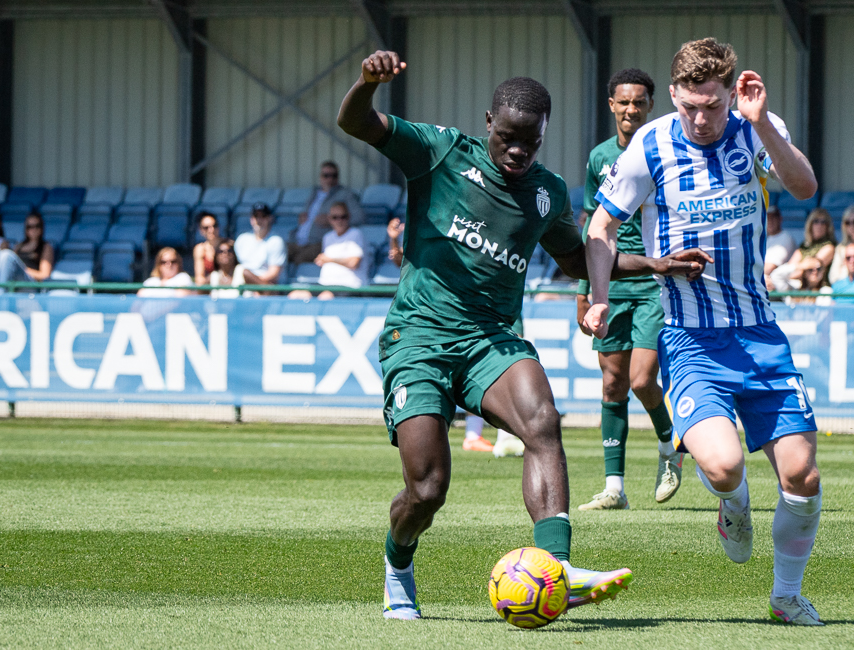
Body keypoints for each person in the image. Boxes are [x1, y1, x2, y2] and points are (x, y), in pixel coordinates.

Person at [337, 49, 707, 620]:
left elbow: (579, 259)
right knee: (428, 490)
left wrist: (654, 264)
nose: (517, 150)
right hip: (419, 338)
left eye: (529, 142)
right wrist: (366, 83)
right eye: (507, 137)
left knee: (542, 422)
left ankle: (555, 568)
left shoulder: (547, 193)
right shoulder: (440, 153)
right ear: (489, 122)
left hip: (491, 341)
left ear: (544, 134)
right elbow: (356, 122)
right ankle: (398, 562)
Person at [584, 37, 825, 625]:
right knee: (722, 466)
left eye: (713, 106)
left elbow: (804, 187)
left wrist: (760, 121)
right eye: (690, 106)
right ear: (673, 95)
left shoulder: (755, 128)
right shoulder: (649, 145)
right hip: (690, 337)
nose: (701, 119)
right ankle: (733, 505)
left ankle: (786, 596)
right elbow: (600, 227)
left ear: (731, 94)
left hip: (759, 333)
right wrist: (599, 296)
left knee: (802, 475)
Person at [573, 68, 682, 511]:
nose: (631, 109)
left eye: (639, 102)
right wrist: (584, 291)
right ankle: (614, 488)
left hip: (654, 282)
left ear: (651, 105)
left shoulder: (665, 152)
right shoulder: (599, 158)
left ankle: (668, 445)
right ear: (611, 105)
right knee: (612, 383)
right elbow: (592, 227)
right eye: (624, 102)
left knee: (641, 379)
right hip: (611, 283)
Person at [291, 202, 370, 300]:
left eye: (343, 217)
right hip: (325, 285)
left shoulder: (356, 234)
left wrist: (329, 260)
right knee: (296, 295)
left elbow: (354, 263)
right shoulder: (327, 237)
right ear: (329, 219)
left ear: (349, 217)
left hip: (350, 286)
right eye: (335, 217)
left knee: (325, 296)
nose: (339, 221)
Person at [289, 161, 365, 264]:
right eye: (326, 175)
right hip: (297, 241)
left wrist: (332, 220)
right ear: (320, 177)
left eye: (334, 176)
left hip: (318, 242)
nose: (330, 179)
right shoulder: (314, 193)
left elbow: (359, 217)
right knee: (278, 254)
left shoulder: (345, 194)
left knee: (298, 260)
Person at [770, 208, 835, 291]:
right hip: (800, 287)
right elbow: (790, 269)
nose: (819, 225)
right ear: (810, 224)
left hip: (818, 289)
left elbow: (811, 269)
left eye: (823, 222)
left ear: (828, 226)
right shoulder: (804, 246)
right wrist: (802, 266)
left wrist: (800, 267)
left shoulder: (829, 246)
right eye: (816, 221)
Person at [234, 203, 287, 292]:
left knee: (246, 273)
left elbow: (274, 273)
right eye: (256, 216)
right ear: (251, 219)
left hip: (267, 287)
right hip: (243, 285)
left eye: (263, 216)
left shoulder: (276, 241)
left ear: (270, 218)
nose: (259, 220)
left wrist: (251, 282)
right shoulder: (242, 239)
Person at [0, 212, 53, 288]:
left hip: (31, 283)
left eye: (37, 226)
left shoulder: (46, 247)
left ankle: (0, 292)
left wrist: (24, 269)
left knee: (6, 255)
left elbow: (44, 275)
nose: (33, 229)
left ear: (42, 228)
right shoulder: (19, 246)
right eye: (30, 227)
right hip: (15, 281)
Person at [762, 204, 796, 292]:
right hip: (765, 282)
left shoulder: (785, 238)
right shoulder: (764, 238)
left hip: (779, 287)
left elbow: (769, 268)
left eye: (773, 218)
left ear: (780, 219)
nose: (770, 222)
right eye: (767, 218)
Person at [192, 212, 223, 285]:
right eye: (206, 228)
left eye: (214, 226)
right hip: (210, 287)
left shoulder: (229, 245)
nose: (211, 230)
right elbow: (199, 278)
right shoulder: (200, 249)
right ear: (201, 230)